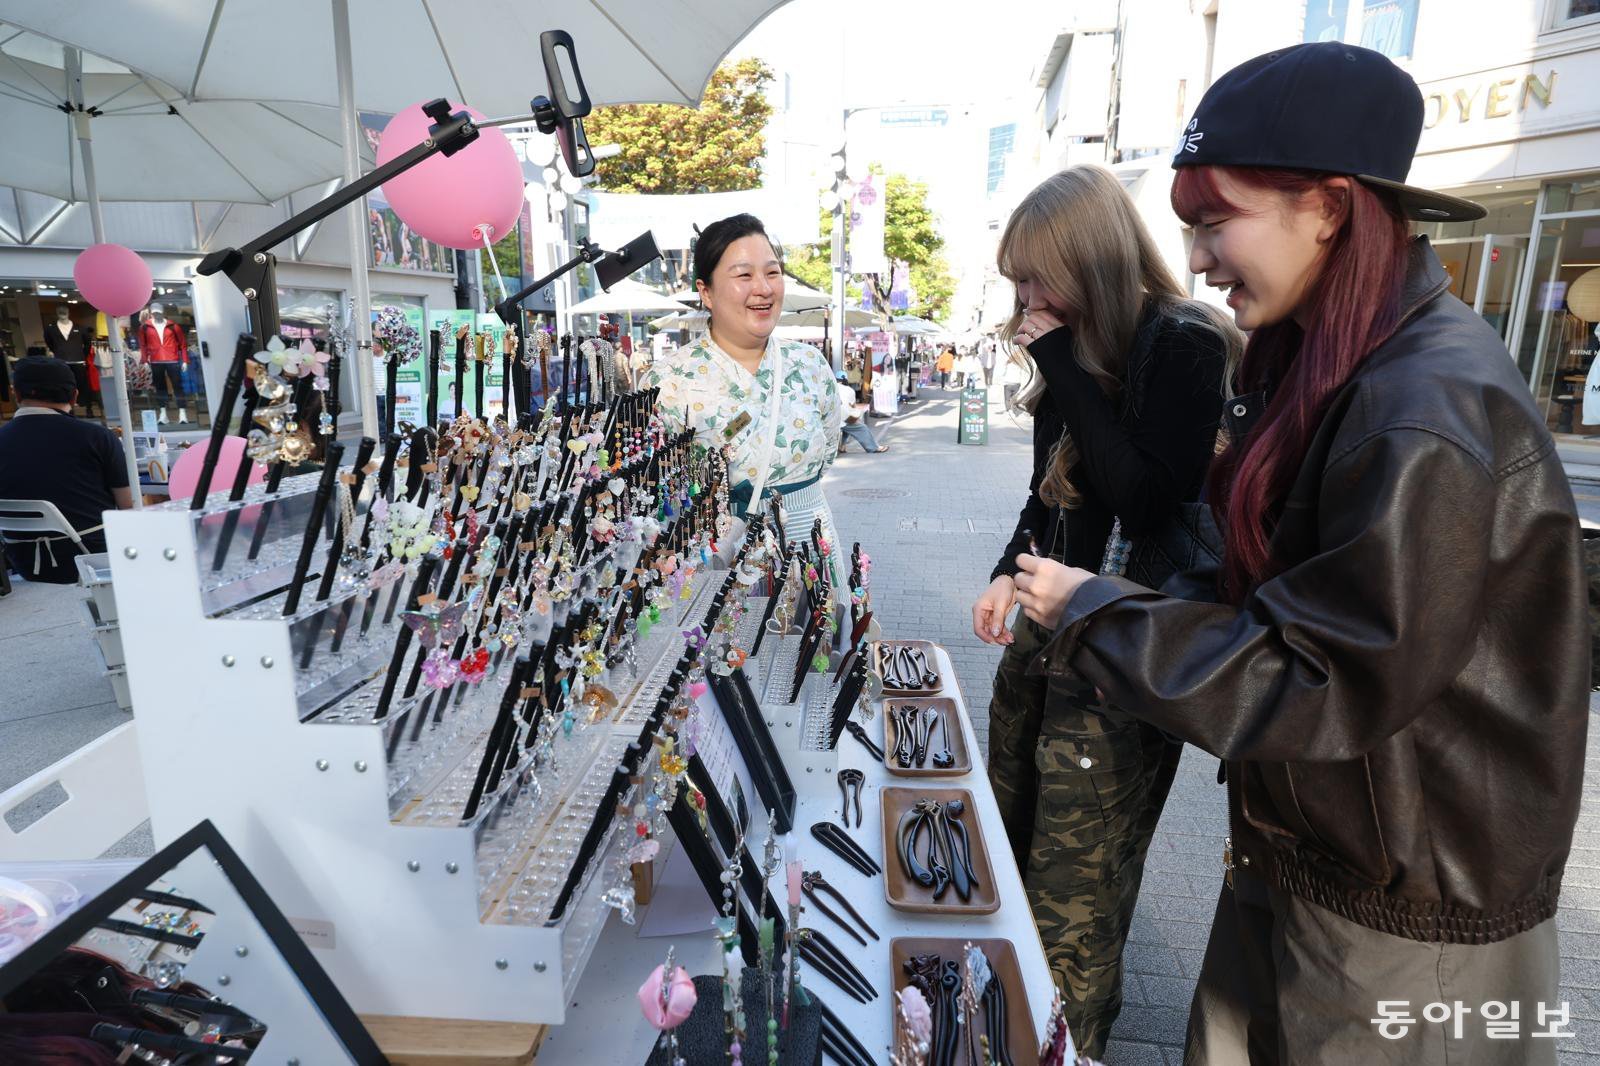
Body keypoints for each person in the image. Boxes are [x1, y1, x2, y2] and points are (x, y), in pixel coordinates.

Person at [1010, 44, 1585, 1065]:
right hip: (1313, 864)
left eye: (1216, 221)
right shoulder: (1339, 365)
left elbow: (1325, 674)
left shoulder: (1422, 404)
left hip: (1407, 919)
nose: (1195, 259)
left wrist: (1102, 611)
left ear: (1326, 206)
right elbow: (1277, 595)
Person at [971, 164, 1240, 1059]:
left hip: (1125, 658)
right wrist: (1008, 570)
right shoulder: (1071, 345)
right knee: (1002, 840)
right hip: (1043, 639)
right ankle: (997, 1022)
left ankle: (1065, 1044)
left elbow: (1147, 500)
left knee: (1074, 895)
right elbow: (1049, 498)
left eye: (1035, 278)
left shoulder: (1184, 342)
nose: (1025, 299)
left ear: (1086, 260)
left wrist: (1062, 367)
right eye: (1016, 282)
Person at [643, 214, 843, 562]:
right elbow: (656, 488)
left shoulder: (810, 365)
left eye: (772, 272)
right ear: (706, 291)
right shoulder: (668, 382)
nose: (763, 288)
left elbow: (826, 452)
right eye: (744, 275)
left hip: (810, 543)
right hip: (717, 553)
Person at [0, 357, 133, 583]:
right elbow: (128, 505)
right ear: (75, 396)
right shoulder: (96, 437)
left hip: (22, 560)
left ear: (16, 394)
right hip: (94, 558)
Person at [834, 371, 888, 454]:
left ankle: (842, 446)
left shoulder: (833, 388)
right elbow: (852, 406)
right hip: (842, 418)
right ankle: (873, 447)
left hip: (833, 417)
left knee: (848, 424)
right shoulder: (850, 390)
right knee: (862, 428)